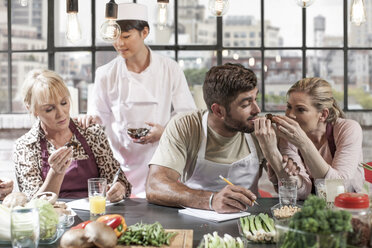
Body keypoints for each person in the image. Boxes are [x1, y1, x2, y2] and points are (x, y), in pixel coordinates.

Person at [146, 63, 298, 213]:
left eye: (255, 99)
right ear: (218, 110)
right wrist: (211, 200)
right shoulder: (186, 126)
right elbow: (155, 186)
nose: (257, 110)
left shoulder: (260, 129)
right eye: (246, 104)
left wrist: (272, 152)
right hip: (196, 221)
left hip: (249, 221)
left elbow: (291, 190)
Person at [80, 3, 196, 198]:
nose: (119, 44)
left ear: (145, 32)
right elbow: (97, 117)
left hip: (160, 161)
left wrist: (164, 131)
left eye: (126, 36)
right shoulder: (105, 74)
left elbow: (187, 116)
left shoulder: (170, 69)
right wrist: (88, 120)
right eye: (115, 37)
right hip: (119, 164)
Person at [13, 69, 132, 201]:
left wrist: (119, 187)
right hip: (53, 219)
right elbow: (33, 204)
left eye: (64, 103)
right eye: (49, 109)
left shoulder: (91, 133)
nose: (61, 113)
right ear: (32, 109)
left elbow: (117, 179)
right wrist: (55, 173)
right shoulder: (25, 147)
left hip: (95, 216)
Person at [269, 77, 364, 195]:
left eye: (300, 109)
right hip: (310, 207)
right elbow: (302, 192)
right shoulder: (288, 138)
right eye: (289, 107)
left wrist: (303, 143)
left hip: (349, 206)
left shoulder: (347, 129)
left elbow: (338, 188)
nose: (290, 115)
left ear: (323, 114)